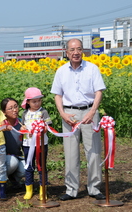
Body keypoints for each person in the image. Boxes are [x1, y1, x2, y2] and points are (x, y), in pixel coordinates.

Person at [50, 38, 106, 201]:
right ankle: (71, 189)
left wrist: (93, 111)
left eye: (79, 49)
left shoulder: (92, 69)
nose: (76, 53)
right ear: (66, 52)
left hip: (89, 112)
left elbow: (99, 92)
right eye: (72, 50)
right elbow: (58, 95)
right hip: (69, 114)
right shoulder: (61, 71)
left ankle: (94, 188)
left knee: (93, 150)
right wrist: (62, 114)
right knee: (70, 152)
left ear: (83, 51)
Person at [20, 87, 52, 200]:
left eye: (39, 100)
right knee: (29, 166)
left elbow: (48, 126)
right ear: (28, 102)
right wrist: (23, 127)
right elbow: (22, 126)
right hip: (27, 144)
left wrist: (43, 129)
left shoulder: (43, 112)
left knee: (41, 165)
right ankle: (29, 189)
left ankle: (43, 190)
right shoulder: (25, 113)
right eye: (34, 101)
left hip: (42, 144)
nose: (37, 103)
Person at [0, 98, 25, 189]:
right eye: (10, 108)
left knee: (27, 167)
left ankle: (13, 179)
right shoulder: (1, 125)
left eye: (15, 107)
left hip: (17, 156)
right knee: (12, 163)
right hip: (1, 157)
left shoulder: (22, 123)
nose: (14, 110)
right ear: (4, 112)